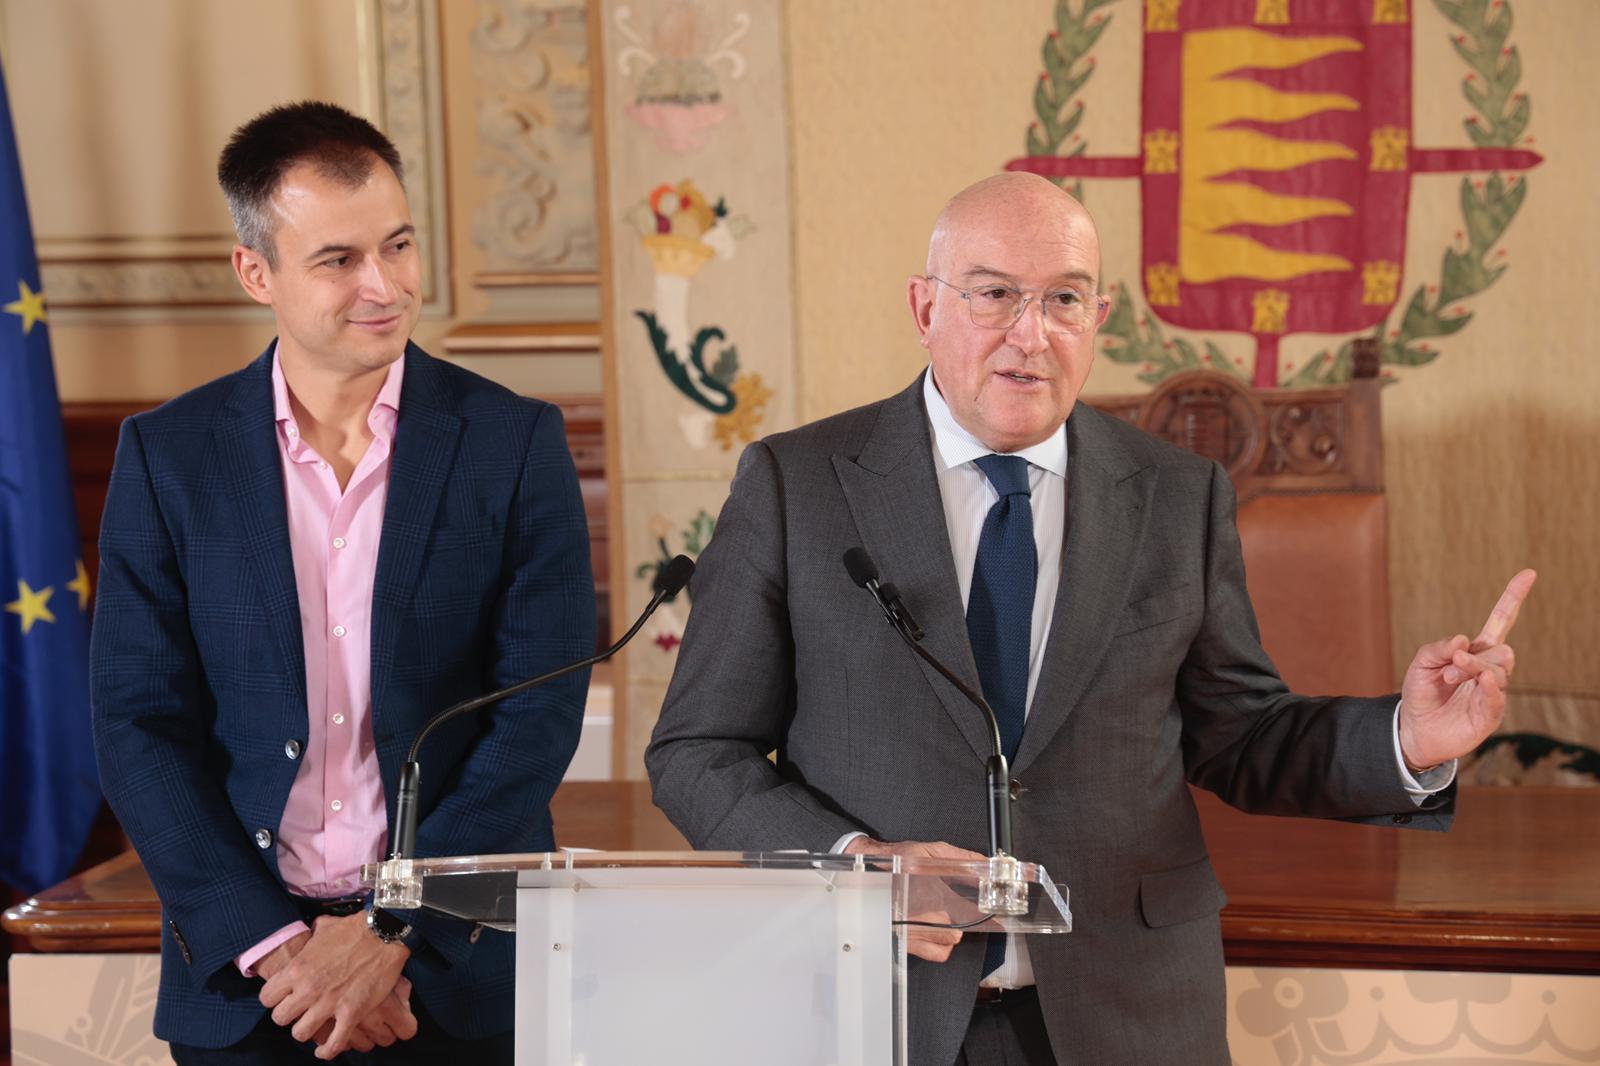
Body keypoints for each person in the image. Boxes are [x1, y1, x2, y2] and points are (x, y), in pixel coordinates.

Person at [645, 172, 1535, 1066]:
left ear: (1097, 319)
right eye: (995, 294)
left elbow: (1240, 734)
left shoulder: (1178, 496)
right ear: (925, 308)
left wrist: (1406, 740)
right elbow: (697, 750)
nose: (1030, 335)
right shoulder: (798, 484)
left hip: (1129, 1014)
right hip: (875, 1007)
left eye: (1064, 300)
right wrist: (855, 865)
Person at [90, 102, 595, 1063]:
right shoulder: (169, 456)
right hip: (249, 982)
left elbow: (536, 714)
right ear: (256, 273)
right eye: (338, 259)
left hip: (454, 974)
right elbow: (137, 723)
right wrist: (283, 953)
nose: (385, 285)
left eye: (398, 245)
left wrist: (392, 929)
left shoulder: (513, 442)